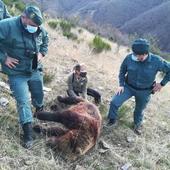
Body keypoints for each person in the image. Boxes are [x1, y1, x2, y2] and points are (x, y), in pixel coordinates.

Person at [0, 5, 49, 148]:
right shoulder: (6, 26)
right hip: (17, 73)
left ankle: (39, 109)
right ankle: (28, 133)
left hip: (34, 70)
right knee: (23, 101)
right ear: (23, 18)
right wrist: (4, 58)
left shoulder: (38, 28)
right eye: (32, 25)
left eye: (37, 26)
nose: (35, 28)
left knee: (38, 94)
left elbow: (45, 40)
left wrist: (41, 54)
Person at [107, 38, 170, 135]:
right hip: (128, 87)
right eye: (134, 54)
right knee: (114, 102)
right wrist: (121, 84)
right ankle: (112, 120)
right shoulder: (129, 58)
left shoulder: (157, 61)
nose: (135, 57)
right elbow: (122, 70)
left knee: (139, 110)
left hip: (144, 91)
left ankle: (137, 125)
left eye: (138, 55)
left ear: (145, 53)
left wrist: (162, 84)